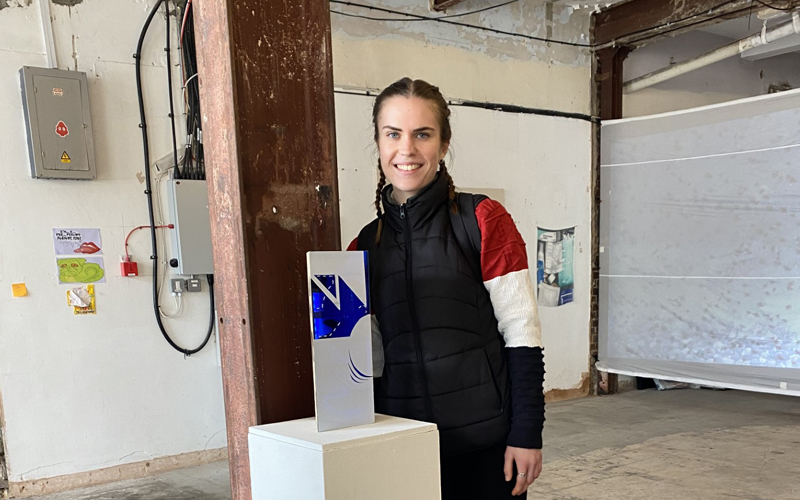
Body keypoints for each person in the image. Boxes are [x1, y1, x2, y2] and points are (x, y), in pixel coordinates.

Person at [347, 77, 545, 499]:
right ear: (379, 143)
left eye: (423, 134)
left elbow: (522, 333)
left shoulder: (483, 219)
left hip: (486, 447)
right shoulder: (362, 246)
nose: (407, 149)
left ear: (443, 143)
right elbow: (365, 359)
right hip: (402, 447)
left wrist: (527, 433)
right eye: (393, 134)